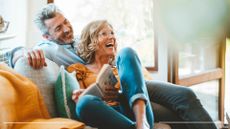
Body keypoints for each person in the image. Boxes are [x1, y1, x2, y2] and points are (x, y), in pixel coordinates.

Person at [7, 3, 217, 129]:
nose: (67, 29)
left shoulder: (82, 38)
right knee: (176, 111)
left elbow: (111, 48)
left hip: (129, 83)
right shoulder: (50, 49)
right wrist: (20, 53)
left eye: (66, 22)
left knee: (185, 95)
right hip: (114, 93)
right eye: (58, 28)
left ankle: (142, 120)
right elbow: (8, 53)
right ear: (46, 36)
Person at [67, 20, 153, 129]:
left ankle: (142, 123)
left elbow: (142, 87)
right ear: (91, 41)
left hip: (133, 111)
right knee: (84, 102)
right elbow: (81, 99)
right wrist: (83, 95)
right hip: (106, 114)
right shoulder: (79, 69)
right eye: (104, 34)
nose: (111, 37)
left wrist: (119, 95)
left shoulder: (122, 68)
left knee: (127, 52)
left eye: (112, 33)